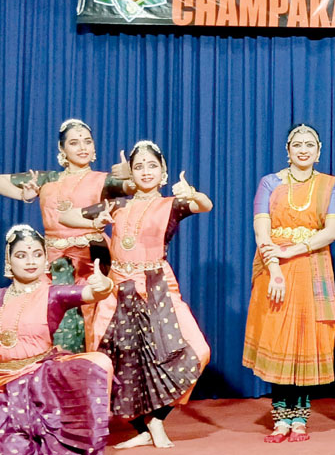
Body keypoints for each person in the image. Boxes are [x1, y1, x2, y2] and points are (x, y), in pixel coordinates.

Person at [59, 140, 213, 449]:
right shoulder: (118, 204)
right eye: (139, 166)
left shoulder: (171, 204)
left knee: (198, 350)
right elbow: (67, 218)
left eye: (152, 165)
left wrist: (192, 193)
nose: (145, 171)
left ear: (164, 172)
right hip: (117, 289)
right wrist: (96, 220)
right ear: (132, 173)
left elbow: (204, 205)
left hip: (156, 286)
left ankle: (157, 420)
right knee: (114, 360)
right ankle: (142, 428)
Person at [243, 124, 335, 443]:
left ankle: (300, 418)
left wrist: (294, 249)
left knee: (306, 340)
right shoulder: (269, 183)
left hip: (312, 269)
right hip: (275, 271)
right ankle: (280, 418)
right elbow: (262, 231)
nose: (303, 149)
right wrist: (275, 267)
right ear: (287, 149)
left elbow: (332, 232)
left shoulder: (329, 186)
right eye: (297, 144)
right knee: (278, 339)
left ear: (319, 150)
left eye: (309, 144)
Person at [0, 118, 132, 352]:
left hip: (91, 260)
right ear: (62, 149)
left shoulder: (104, 180)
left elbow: (137, 187)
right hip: (53, 263)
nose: (82, 148)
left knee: (90, 321)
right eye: (74, 143)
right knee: (47, 323)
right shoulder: (47, 179)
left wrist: (129, 174)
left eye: (87, 142)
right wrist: (26, 195)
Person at [0, 224, 115, 454]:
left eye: (37, 254)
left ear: (45, 261)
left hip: (38, 386)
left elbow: (91, 294)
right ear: (9, 262)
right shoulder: (1, 297)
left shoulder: (54, 294)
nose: (31, 261)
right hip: (3, 386)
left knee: (99, 363)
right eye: (21, 255)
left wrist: (104, 286)